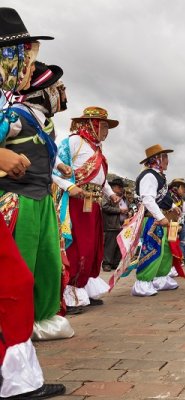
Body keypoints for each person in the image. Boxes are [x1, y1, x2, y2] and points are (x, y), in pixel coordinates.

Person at [0, 7, 66, 398]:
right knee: (13, 282)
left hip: (34, 196)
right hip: (13, 200)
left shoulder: (11, 104)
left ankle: (18, 377)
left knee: (22, 280)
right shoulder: (11, 111)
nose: (29, 64)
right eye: (24, 55)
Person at [1, 59, 75, 340]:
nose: (63, 94)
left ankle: (42, 316)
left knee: (48, 262)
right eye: (59, 88)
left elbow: (41, 155)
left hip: (43, 198)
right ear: (45, 90)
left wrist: (59, 170)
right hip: (18, 198)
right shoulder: (15, 116)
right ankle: (14, 322)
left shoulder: (46, 123)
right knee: (22, 262)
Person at [53, 106, 120, 309]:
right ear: (92, 124)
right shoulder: (74, 142)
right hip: (76, 201)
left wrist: (110, 194)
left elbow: (101, 178)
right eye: (104, 126)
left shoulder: (96, 148)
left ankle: (84, 289)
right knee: (78, 245)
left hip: (94, 202)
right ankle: (69, 292)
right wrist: (69, 186)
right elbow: (54, 166)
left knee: (92, 247)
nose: (106, 132)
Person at [132, 144, 181, 296]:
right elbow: (148, 198)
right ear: (156, 159)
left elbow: (163, 197)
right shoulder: (149, 175)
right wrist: (160, 217)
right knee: (152, 249)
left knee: (165, 250)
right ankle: (142, 283)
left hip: (160, 218)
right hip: (151, 219)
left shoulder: (159, 176)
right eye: (164, 157)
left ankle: (160, 278)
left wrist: (173, 206)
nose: (167, 160)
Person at [101, 178, 128, 271]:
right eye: (119, 187)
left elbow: (127, 208)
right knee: (110, 246)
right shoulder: (107, 196)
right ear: (113, 188)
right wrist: (119, 210)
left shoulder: (124, 198)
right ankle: (106, 263)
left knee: (118, 246)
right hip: (111, 225)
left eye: (122, 187)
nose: (121, 189)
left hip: (122, 225)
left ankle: (115, 263)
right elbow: (104, 207)